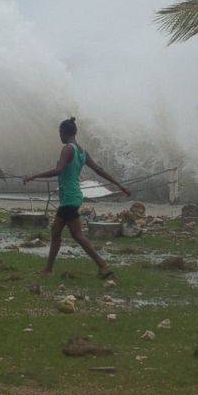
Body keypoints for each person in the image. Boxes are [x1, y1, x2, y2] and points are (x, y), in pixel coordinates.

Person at [23, 117, 130, 279]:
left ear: (64, 133)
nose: (59, 136)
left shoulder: (68, 149)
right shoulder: (82, 152)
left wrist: (34, 176)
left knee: (76, 234)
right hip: (73, 196)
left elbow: (59, 170)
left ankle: (102, 265)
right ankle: (49, 269)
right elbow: (99, 170)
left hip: (69, 198)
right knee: (58, 231)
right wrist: (119, 184)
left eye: (60, 133)